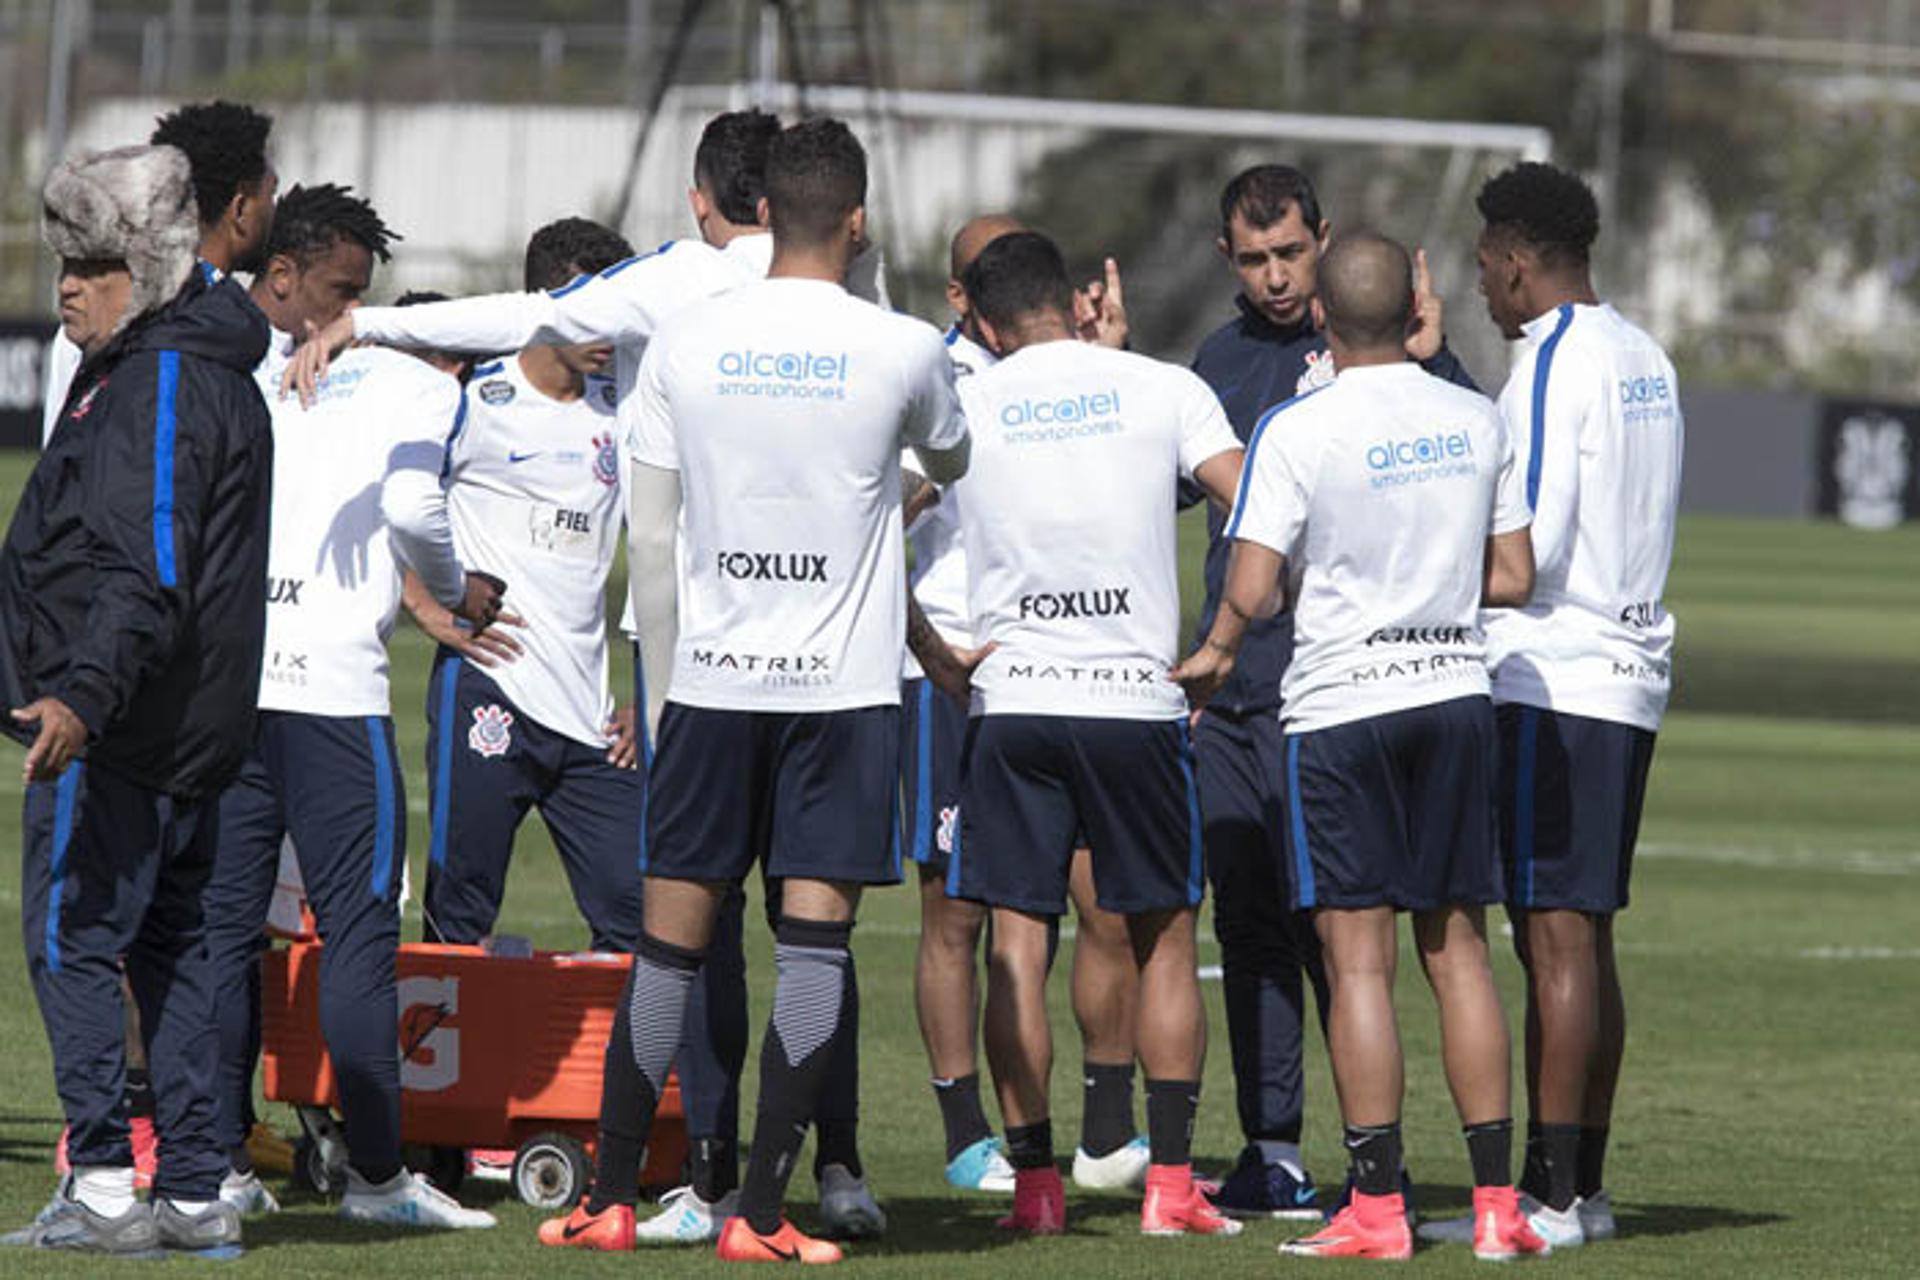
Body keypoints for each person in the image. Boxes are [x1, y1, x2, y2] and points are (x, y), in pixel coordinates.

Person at [538, 117, 970, 1265]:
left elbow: (654, 535)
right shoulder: (904, 348)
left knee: (668, 950)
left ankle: (611, 1196)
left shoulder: (688, 343)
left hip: (712, 691)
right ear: (862, 219)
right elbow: (955, 459)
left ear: (761, 209)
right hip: (842, 698)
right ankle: (765, 1214)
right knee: (814, 947)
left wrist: (669, 702)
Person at [1179, 230, 1546, 1261]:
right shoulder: (1475, 417)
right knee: (1460, 947)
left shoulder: (1300, 427)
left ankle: (1379, 1205)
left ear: (1327, 321)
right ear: (1415, 308)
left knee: (1359, 963)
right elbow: (1512, 574)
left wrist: (1214, 652)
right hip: (1455, 695)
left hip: (1342, 705)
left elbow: (1251, 588)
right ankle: (1493, 1205)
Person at [200, 183, 504, 1231]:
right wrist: (454, 587)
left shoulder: (236, 367)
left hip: (235, 691)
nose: (346, 314)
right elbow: (419, 505)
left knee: (223, 932)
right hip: (331, 697)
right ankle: (377, 1177)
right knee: (360, 936)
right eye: (337, 291)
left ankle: (213, 1165)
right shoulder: (409, 384)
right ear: (284, 275)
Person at [932, 229, 1245, 1240]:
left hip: (1013, 698)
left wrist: (926, 644)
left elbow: (858, 513)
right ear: (1076, 298)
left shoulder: (966, 399)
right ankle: (1168, 1184)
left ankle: (1035, 1187)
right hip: (1135, 700)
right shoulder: (1160, 388)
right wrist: (1228, 633)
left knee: (1016, 944)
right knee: (1163, 936)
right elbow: (1258, 496)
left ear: (978, 320)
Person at [0, 143, 272, 1254]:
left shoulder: (158, 375)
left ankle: (108, 1180)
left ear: (149, 266)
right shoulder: (186, 359)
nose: (67, 281)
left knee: (72, 939)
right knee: (184, 951)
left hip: (123, 727)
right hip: (193, 725)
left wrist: (79, 694)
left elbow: (142, 564)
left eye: (94, 260)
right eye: (63, 258)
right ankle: (199, 1189)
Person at [1421, 161, 1683, 1251]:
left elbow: (1524, 557)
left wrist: (1415, 578)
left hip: (1554, 675)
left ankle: (1552, 1194)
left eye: (1486, 260)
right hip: (1627, 670)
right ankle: (1585, 1183)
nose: (1481, 279)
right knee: (1586, 936)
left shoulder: (1547, 365)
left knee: (1553, 935)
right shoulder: (1645, 355)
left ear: (1521, 262)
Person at [908, 213, 1151, 1197]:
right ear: (964, 298)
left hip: (1071, 669)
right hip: (954, 673)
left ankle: (1102, 1132)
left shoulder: (1089, 374)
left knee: (1105, 905)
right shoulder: (929, 379)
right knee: (960, 913)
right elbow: (883, 503)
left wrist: (1108, 365)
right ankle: (972, 1134)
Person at [416, 217, 644, 954]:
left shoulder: (629, 408)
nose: (610, 329)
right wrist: (427, 607)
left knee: (641, 917)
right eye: (593, 310)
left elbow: (672, 548)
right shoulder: (474, 400)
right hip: (490, 691)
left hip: (591, 714)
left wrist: (656, 688)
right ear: (543, 306)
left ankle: (618, 1076)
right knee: (460, 921)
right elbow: (388, 504)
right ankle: (449, 1072)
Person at [40, 100, 277, 445]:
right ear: (240, 208)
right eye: (272, 193)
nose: (275, 211)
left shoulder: (96, 314)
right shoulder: (212, 327)